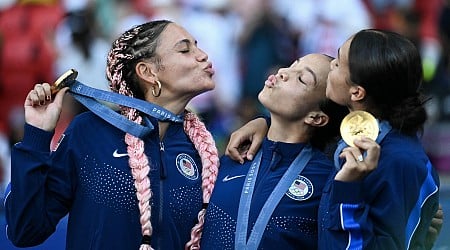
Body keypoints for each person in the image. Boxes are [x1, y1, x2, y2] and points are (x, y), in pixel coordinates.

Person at [4, 20, 219, 250]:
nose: (203, 55)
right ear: (148, 72)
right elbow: (25, 230)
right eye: (185, 49)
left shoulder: (202, 151)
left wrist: (260, 124)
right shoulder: (90, 132)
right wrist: (37, 135)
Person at [226, 29, 441, 249]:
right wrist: (265, 123)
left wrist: (348, 191)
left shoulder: (400, 161)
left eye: (337, 63)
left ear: (356, 92)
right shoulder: (353, 138)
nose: (330, 65)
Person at [200, 54, 349, 249]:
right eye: (291, 65)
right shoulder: (234, 156)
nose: (283, 72)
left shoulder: (326, 179)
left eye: (302, 78)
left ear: (316, 118)